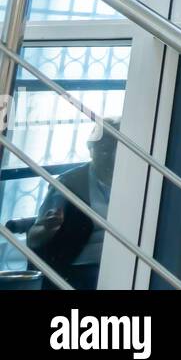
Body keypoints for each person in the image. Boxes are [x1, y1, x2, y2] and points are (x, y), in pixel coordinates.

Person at [27, 118, 120, 290]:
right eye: (104, 148)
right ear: (90, 149)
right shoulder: (69, 183)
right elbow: (33, 238)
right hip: (81, 269)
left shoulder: (139, 182)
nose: (111, 156)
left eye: (116, 148)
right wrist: (49, 228)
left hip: (125, 264)